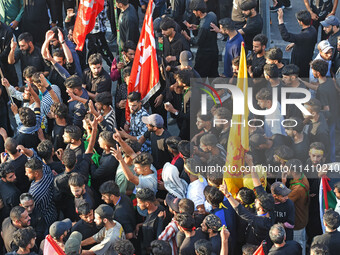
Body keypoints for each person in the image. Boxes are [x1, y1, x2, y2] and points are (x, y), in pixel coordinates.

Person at [181, 0, 219, 78]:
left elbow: (197, 41)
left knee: (199, 76)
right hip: (214, 51)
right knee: (213, 75)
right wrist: (197, 26)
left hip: (204, 55)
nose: (194, 13)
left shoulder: (203, 27)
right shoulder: (212, 15)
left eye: (194, 11)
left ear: (198, 11)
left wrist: (187, 37)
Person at [311, 59, 339, 162]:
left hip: (329, 120)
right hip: (336, 116)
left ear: (317, 73)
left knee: (329, 144)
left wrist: (322, 122)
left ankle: (331, 163)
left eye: (313, 70)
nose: (312, 72)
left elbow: (326, 109)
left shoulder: (322, 90)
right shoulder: (330, 81)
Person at [278, 9, 317, 77]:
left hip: (299, 62)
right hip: (307, 57)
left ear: (301, 22)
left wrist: (280, 19)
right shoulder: (312, 29)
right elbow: (304, 40)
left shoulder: (304, 36)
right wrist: (294, 43)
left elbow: (286, 36)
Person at [285, 159, 310, 255]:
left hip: (297, 221)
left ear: (293, 172)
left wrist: (283, 183)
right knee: (302, 240)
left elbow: (285, 201)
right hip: (303, 217)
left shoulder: (297, 189)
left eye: (287, 169)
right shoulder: (303, 177)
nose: (285, 170)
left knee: (298, 244)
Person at [24, 156, 57, 227]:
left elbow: (32, 211)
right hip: (53, 210)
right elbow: (33, 155)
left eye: (28, 172)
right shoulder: (47, 171)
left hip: (46, 219)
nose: (26, 174)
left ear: (36, 174)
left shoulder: (35, 193)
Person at [136, 188, 165, 255]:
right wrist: (139, 225)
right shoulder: (160, 208)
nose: (138, 205)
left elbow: (148, 247)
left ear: (147, 204)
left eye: (139, 203)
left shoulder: (147, 227)